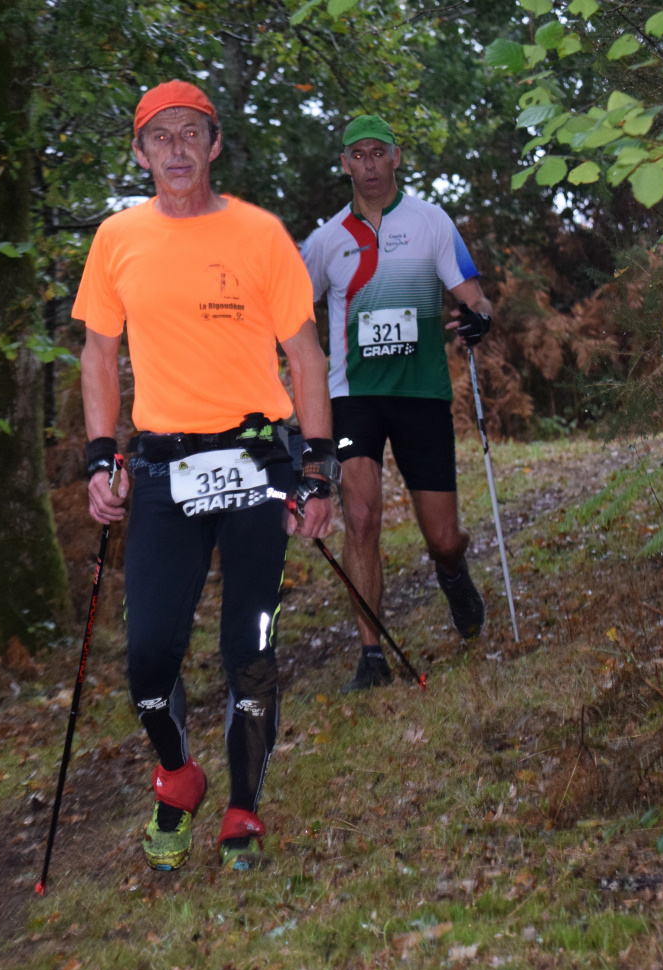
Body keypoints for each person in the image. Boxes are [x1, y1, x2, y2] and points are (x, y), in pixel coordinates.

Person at [74, 80, 338, 872]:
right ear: (141, 154)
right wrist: (100, 455)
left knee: (247, 647)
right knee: (149, 659)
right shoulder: (117, 239)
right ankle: (179, 775)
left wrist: (317, 465)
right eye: (161, 137)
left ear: (214, 144)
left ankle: (243, 807)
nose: (178, 148)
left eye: (191, 132)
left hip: (256, 461)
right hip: (163, 469)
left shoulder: (260, 235)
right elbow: (98, 355)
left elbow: (306, 356)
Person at [301, 114, 494, 692]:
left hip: (421, 394)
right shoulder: (326, 240)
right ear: (344, 164)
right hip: (353, 396)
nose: (369, 165)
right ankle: (372, 655)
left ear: (396, 157)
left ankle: (453, 574)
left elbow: (476, 297)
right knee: (361, 518)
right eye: (358, 155)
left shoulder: (431, 222)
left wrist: (479, 320)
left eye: (378, 153)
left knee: (443, 539)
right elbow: (291, 316)